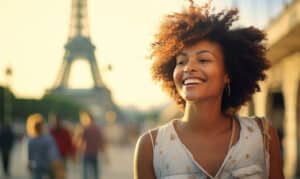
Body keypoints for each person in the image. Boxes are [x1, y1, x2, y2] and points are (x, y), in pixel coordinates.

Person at [133, 1, 284, 179]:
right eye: (181, 62)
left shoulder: (263, 136)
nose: (188, 68)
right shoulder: (150, 147)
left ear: (227, 74)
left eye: (203, 60)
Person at [26, 113, 63, 179]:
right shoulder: (48, 139)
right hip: (47, 166)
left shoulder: (30, 140)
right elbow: (54, 154)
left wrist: (29, 164)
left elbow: (28, 155)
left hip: (37, 166)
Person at [79, 111, 107, 179]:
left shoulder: (85, 128)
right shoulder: (97, 129)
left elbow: (80, 142)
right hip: (95, 153)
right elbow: (101, 142)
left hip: (87, 153)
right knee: (95, 173)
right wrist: (105, 155)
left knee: (85, 174)